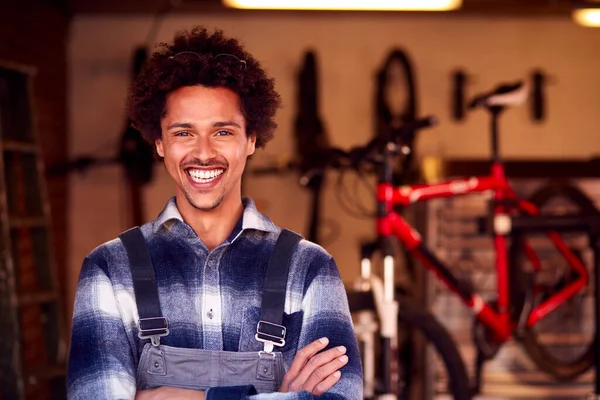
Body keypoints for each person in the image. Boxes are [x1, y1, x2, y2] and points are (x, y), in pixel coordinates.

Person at [66, 26, 363, 400]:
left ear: (251, 140)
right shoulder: (110, 269)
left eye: (222, 132)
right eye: (183, 133)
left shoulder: (309, 270)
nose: (203, 153)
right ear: (159, 143)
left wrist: (165, 397)